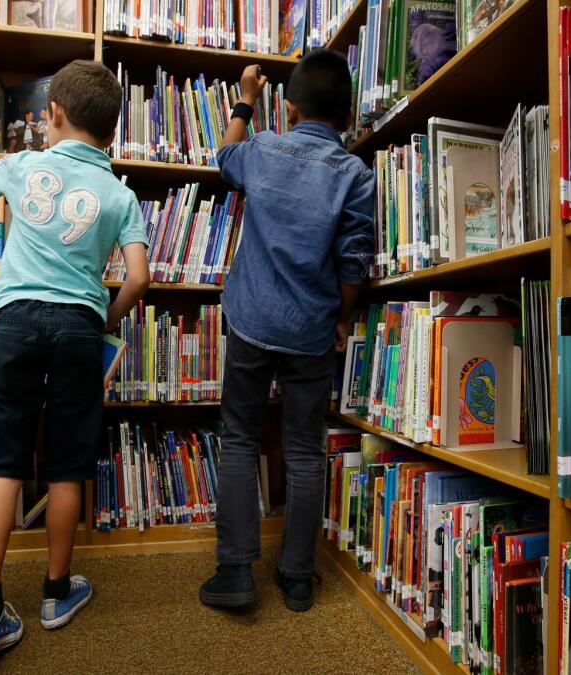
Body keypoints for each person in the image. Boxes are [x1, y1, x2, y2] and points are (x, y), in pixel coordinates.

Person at [0, 59, 151, 657]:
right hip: (77, 327)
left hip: (12, 321)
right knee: (67, 463)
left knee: (4, 460)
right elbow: (139, 276)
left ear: (53, 115)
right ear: (113, 132)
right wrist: (105, 319)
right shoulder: (120, 195)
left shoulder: (26, 165)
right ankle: (56, 592)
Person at [198, 50, 374, 612]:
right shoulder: (355, 175)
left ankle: (234, 572)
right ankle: (297, 577)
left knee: (241, 439)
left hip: (251, 320)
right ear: (346, 118)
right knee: (304, 448)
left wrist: (246, 98)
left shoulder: (263, 147)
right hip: (310, 331)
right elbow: (354, 263)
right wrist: (343, 319)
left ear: (290, 109)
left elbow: (224, 155)